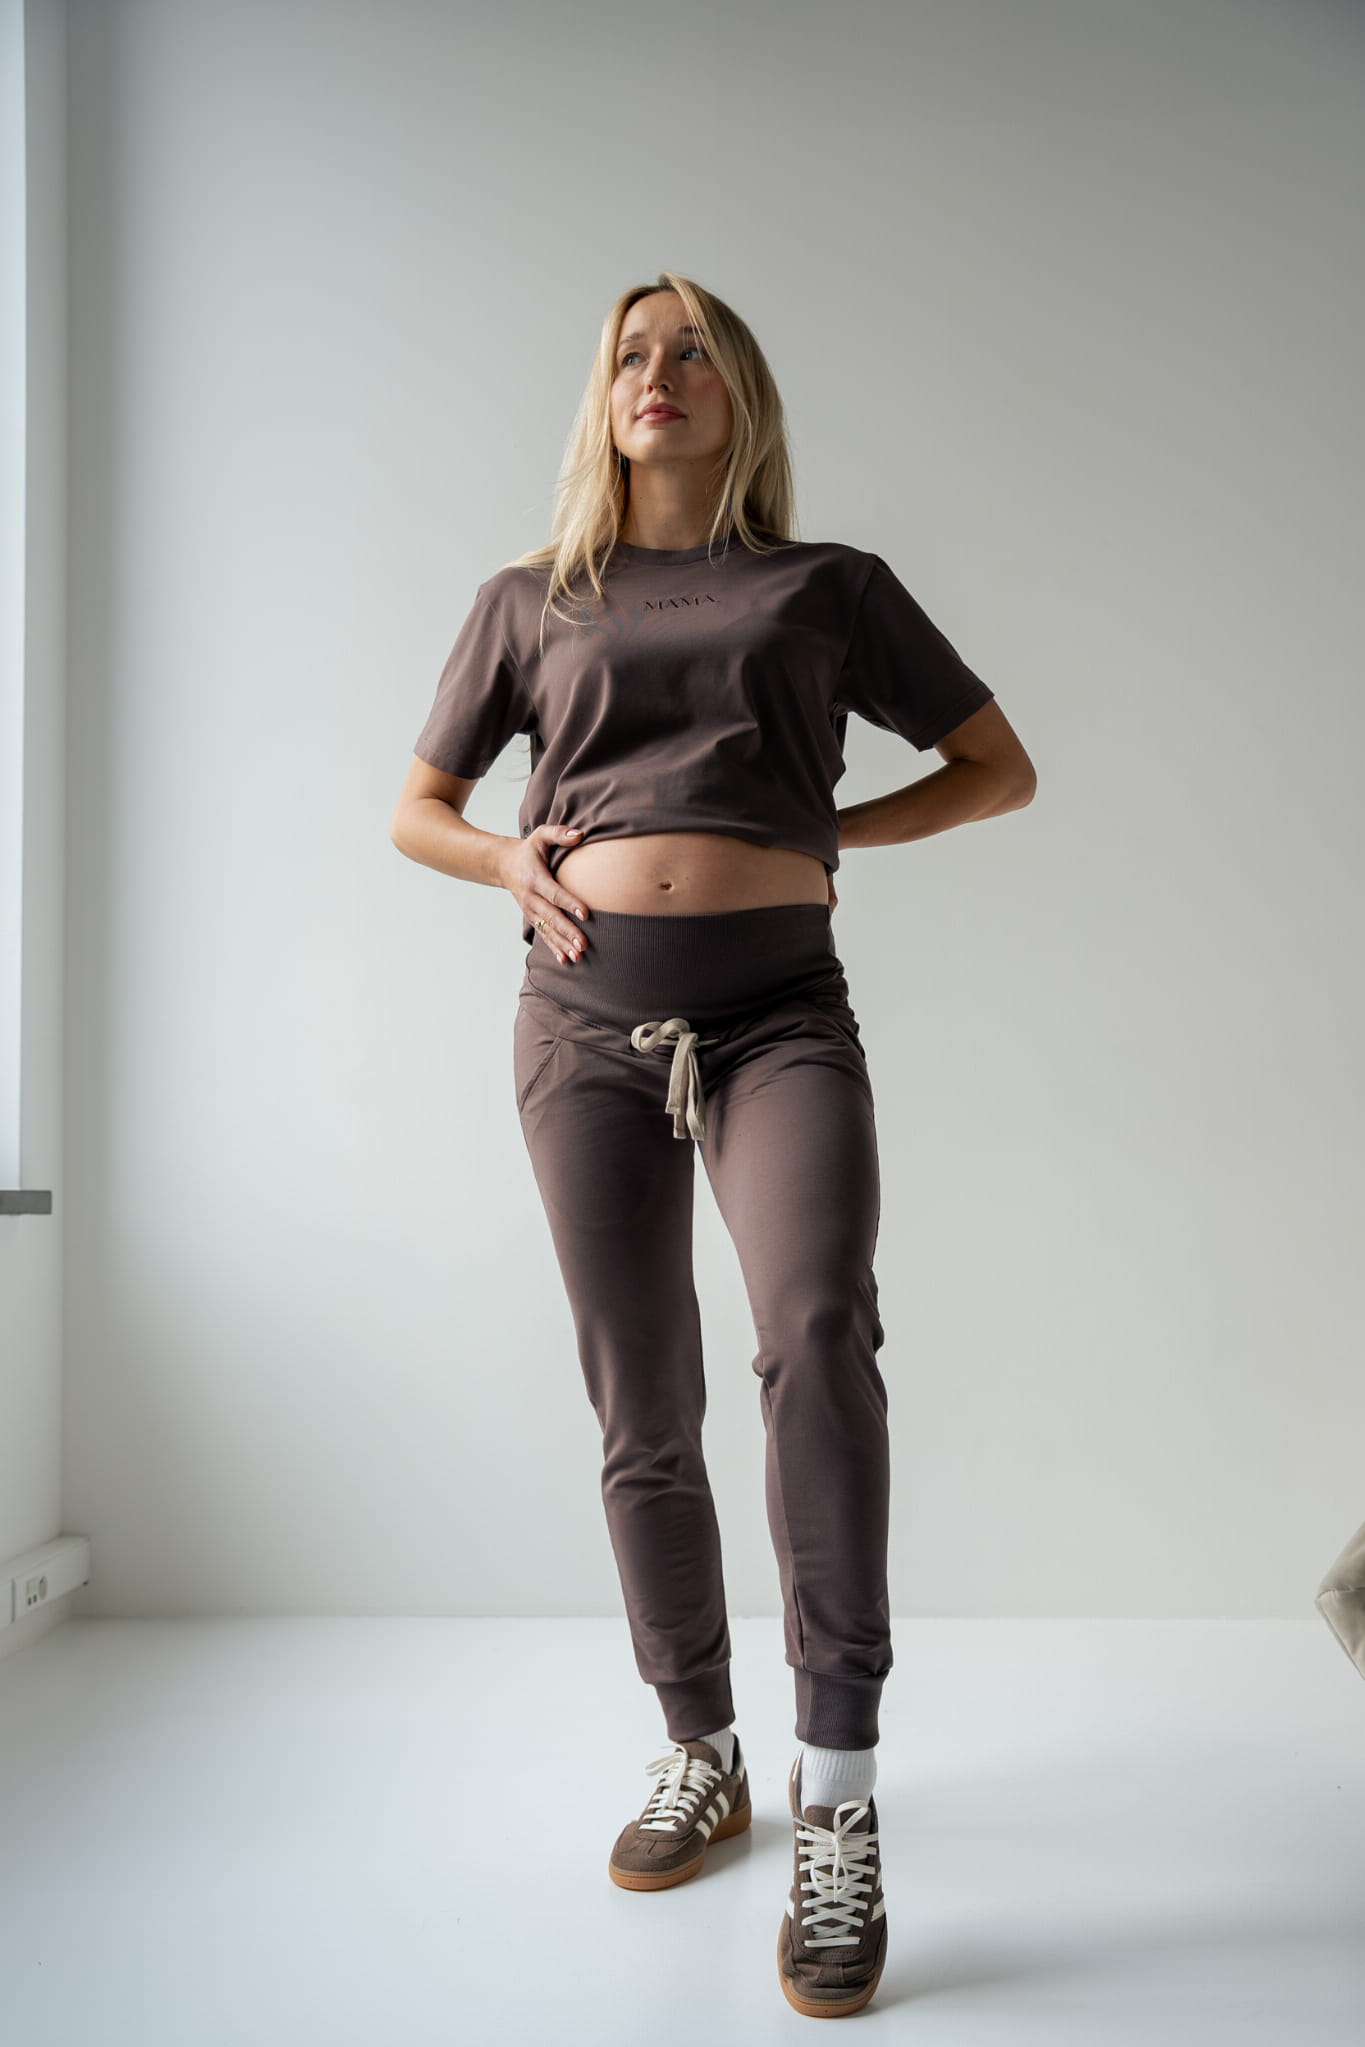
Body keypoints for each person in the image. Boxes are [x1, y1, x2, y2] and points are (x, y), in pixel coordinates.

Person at [390, 271, 1036, 2020]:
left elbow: (996, 766)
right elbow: (419, 809)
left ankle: (838, 1792)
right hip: (578, 1028)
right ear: (600, 400)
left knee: (816, 1332)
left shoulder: (829, 587)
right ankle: (700, 1747)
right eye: (629, 353)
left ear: (739, 394)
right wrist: (507, 860)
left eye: (690, 351)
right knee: (640, 1399)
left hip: (778, 1017)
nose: (655, 373)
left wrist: (821, 834)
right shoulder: (529, 600)